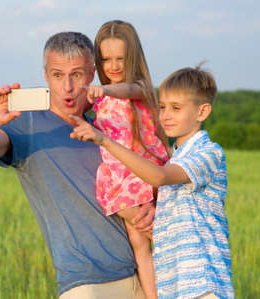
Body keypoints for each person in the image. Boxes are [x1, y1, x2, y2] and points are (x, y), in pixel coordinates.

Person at [0, 31, 156, 299]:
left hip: (144, 278)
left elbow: (151, 172)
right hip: (86, 285)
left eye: (76, 75)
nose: (67, 87)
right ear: (46, 75)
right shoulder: (25, 124)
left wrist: (152, 208)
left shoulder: (108, 122)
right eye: (58, 75)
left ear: (92, 73)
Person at [70, 63, 235, 299]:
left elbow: (159, 177)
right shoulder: (173, 157)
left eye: (176, 108)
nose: (166, 116)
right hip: (174, 286)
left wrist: (104, 140)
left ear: (202, 112)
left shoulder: (209, 153)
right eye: (163, 107)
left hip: (203, 284)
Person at [86, 20, 170, 299]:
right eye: (106, 59)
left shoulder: (140, 88)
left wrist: (106, 90)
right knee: (138, 241)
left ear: (133, 57)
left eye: (121, 58)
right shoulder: (98, 96)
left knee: (157, 233)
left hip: (143, 171)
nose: (113, 66)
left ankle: (186, 262)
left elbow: (125, 90)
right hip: (118, 174)